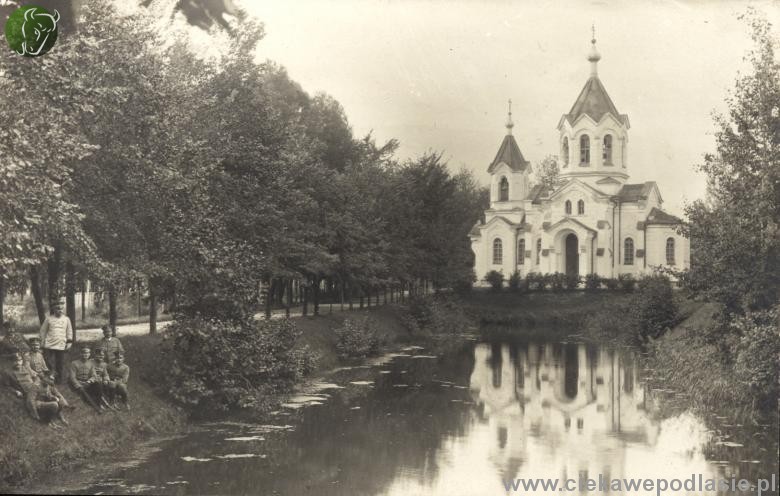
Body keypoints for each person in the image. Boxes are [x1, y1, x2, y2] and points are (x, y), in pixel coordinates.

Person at [3, 352, 68, 427]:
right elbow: (6, 387)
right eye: (15, 361)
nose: (18, 363)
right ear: (11, 362)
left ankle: (60, 414)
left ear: (22, 361)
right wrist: (16, 391)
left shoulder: (25, 368)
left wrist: (37, 381)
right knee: (53, 403)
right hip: (28, 392)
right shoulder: (8, 373)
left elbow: (35, 376)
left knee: (52, 390)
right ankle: (48, 419)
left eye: (19, 360)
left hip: (36, 387)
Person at [25, 337, 72, 410]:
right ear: (30, 346)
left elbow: (44, 367)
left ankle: (64, 404)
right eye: (33, 345)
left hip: (42, 375)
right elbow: (27, 367)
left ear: (39, 345)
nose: (35, 347)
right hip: (34, 376)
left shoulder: (40, 355)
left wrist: (50, 374)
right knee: (42, 387)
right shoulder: (27, 356)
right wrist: (36, 374)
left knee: (53, 388)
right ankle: (47, 402)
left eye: (37, 345)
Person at [39, 300, 73, 384]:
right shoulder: (49, 319)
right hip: (49, 344)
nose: (60, 310)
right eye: (58, 308)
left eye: (61, 308)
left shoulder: (66, 319)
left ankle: (59, 380)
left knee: (60, 363)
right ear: (54, 309)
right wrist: (42, 342)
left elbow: (69, 331)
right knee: (47, 361)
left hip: (61, 344)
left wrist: (69, 342)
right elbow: (43, 331)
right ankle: (48, 377)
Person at [68, 345, 102, 413]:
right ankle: (95, 408)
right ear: (80, 353)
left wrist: (89, 381)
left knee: (98, 385)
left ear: (89, 354)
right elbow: (72, 377)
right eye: (83, 353)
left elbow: (94, 376)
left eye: (87, 353)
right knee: (82, 391)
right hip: (78, 382)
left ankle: (98, 404)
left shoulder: (91, 363)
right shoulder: (74, 363)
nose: (85, 354)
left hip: (87, 382)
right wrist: (78, 385)